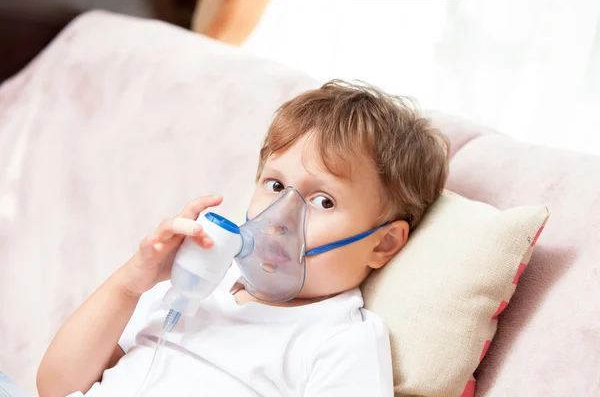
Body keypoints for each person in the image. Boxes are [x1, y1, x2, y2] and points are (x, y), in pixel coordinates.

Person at [36, 80, 450, 397]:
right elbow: (57, 385)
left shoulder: (339, 341)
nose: (280, 217)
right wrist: (131, 284)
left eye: (323, 201)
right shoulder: (190, 287)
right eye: (275, 186)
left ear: (383, 244)